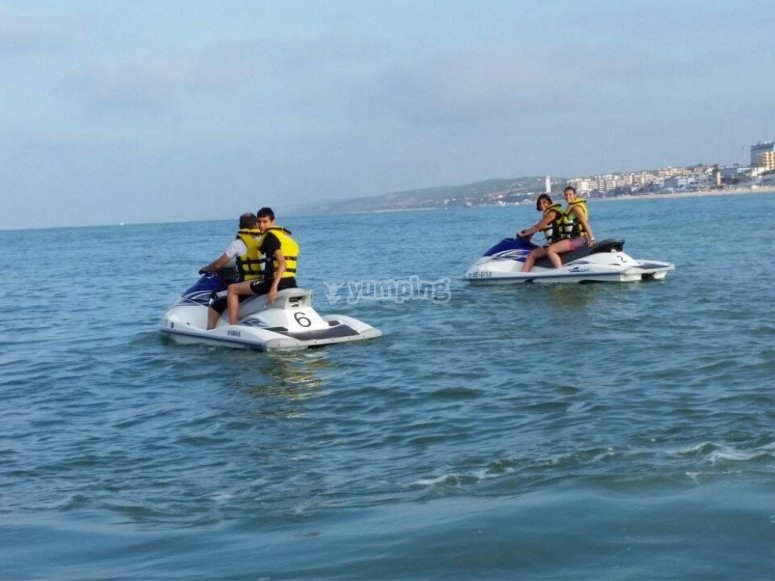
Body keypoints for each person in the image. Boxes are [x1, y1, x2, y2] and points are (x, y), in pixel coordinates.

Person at [224, 207, 299, 325]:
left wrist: (273, 288)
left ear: (273, 221)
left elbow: (282, 264)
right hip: (291, 282)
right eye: (259, 222)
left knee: (232, 289)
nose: (261, 225)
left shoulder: (270, 237)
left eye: (265, 222)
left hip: (273, 282)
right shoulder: (285, 236)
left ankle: (233, 326)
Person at [199, 212, 263, 330]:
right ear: (256, 224)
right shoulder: (264, 239)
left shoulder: (239, 243)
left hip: (248, 283)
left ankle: (211, 332)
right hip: (263, 282)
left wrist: (206, 268)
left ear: (240, 226)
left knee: (216, 302)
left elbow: (218, 264)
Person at [522, 186, 596, 272]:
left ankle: (560, 272)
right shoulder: (567, 209)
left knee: (551, 250)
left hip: (578, 239)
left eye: (570, 194)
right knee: (534, 253)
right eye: (566, 194)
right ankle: (524, 275)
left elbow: (584, 222)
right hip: (572, 239)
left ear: (575, 195)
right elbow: (543, 227)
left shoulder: (575, 208)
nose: (568, 196)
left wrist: (592, 238)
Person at [518, 193, 565, 272]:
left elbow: (537, 227)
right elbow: (538, 227)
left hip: (557, 243)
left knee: (532, 254)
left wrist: (523, 235)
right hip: (557, 242)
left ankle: (522, 275)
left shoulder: (552, 213)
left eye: (544, 202)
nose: (542, 205)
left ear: (549, 202)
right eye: (540, 203)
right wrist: (527, 231)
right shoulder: (550, 213)